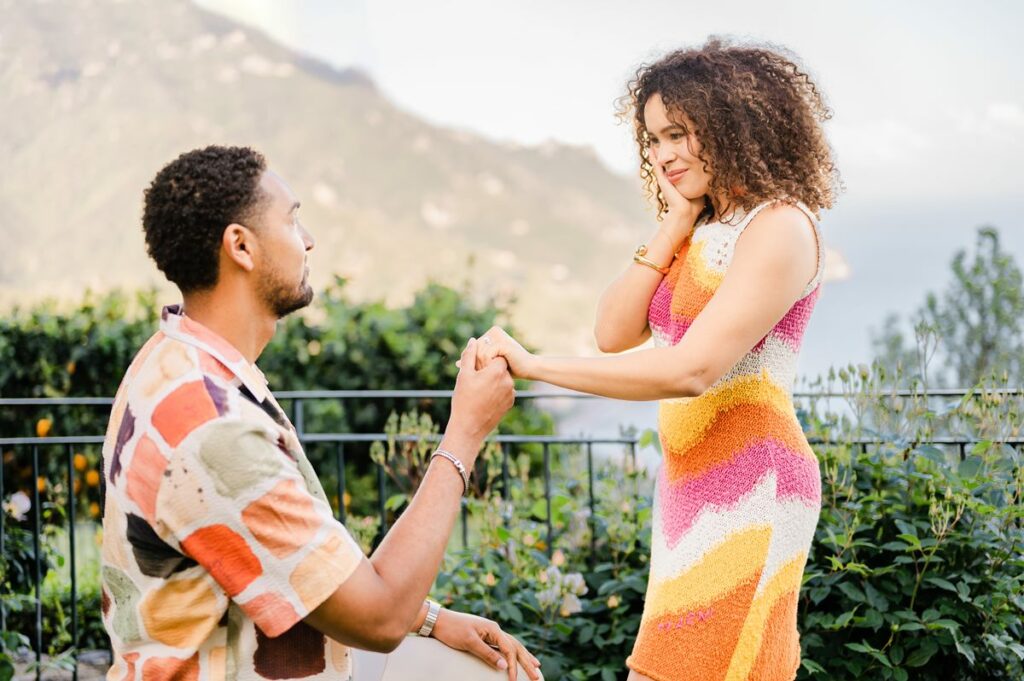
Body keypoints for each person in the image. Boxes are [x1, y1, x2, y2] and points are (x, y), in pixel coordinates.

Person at [98, 145, 542, 681]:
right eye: (291, 219)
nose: (308, 239)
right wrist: (466, 431)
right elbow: (378, 619)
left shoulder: (175, 364)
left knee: (480, 667)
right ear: (241, 246)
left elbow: (290, 566)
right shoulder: (214, 432)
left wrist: (429, 619)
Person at [474, 38, 839, 681]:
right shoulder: (705, 226)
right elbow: (613, 331)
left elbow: (690, 370)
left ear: (732, 124)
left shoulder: (779, 225)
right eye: (652, 140)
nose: (662, 155)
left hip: (754, 483)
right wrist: (675, 223)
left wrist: (533, 366)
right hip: (689, 486)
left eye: (678, 134)